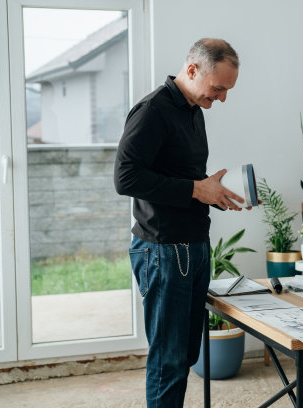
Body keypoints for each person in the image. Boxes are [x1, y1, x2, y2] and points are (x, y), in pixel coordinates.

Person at [114, 38, 248, 407]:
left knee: (185, 355)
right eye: (218, 87)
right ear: (192, 70)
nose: (221, 98)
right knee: (169, 360)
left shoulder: (193, 110)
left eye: (227, 90)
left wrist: (216, 194)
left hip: (192, 247)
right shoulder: (152, 111)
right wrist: (194, 190)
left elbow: (185, 181)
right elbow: (124, 178)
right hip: (164, 251)